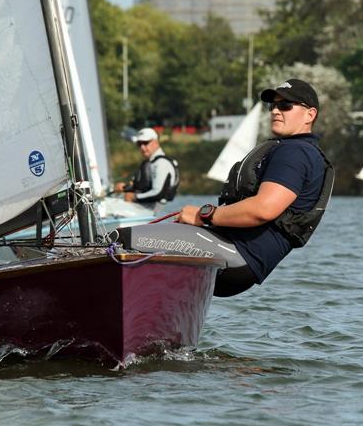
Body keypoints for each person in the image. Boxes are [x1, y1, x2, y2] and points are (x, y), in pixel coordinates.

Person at [116, 79, 333, 297]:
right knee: (139, 259)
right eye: (272, 106)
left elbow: (263, 209)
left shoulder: (295, 153)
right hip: (232, 252)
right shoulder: (298, 151)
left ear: (310, 114)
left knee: (118, 240)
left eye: (285, 105)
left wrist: (204, 216)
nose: (276, 111)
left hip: (236, 255)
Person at [113, 127, 180, 208]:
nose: (142, 147)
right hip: (145, 210)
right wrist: (124, 188)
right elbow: (141, 187)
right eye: (139, 144)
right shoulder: (149, 163)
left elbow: (158, 193)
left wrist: (134, 197)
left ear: (155, 142)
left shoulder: (161, 163)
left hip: (160, 212)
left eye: (145, 143)